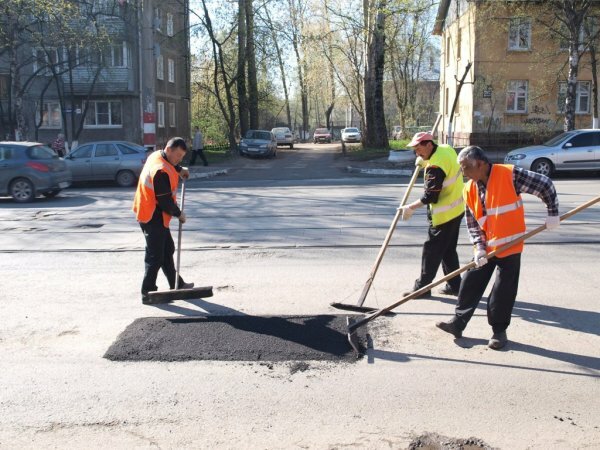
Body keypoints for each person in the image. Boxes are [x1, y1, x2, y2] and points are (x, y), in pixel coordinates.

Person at [436, 145, 560, 350]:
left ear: (482, 164)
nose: (463, 172)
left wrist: (553, 212)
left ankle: (499, 332)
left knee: (503, 291)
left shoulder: (509, 175)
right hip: (488, 247)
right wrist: (479, 248)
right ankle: (458, 323)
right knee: (470, 282)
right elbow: (473, 223)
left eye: (466, 167)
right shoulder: (469, 188)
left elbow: (545, 184)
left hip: (510, 246)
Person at [398, 131, 465, 298]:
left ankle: (422, 288)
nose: (417, 153)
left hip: (444, 215)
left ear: (429, 145)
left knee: (431, 251)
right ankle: (455, 285)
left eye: (419, 149)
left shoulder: (435, 167)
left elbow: (430, 196)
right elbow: (444, 162)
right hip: (457, 209)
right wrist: (424, 160)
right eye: (415, 150)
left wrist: (410, 207)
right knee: (448, 250)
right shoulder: (446, 148)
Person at [132, 137, 194, 304]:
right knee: (155, 256)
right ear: (169, 150)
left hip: (154, 212)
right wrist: (179, 214)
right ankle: (148, 292)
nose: (179, 159)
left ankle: (177, 283)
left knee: (167, 249)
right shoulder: (160, 171)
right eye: (178, 156)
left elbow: (169, 163)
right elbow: (165, 201)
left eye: (182, 156)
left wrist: (179, 169)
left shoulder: (157, 156)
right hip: (151, 215)